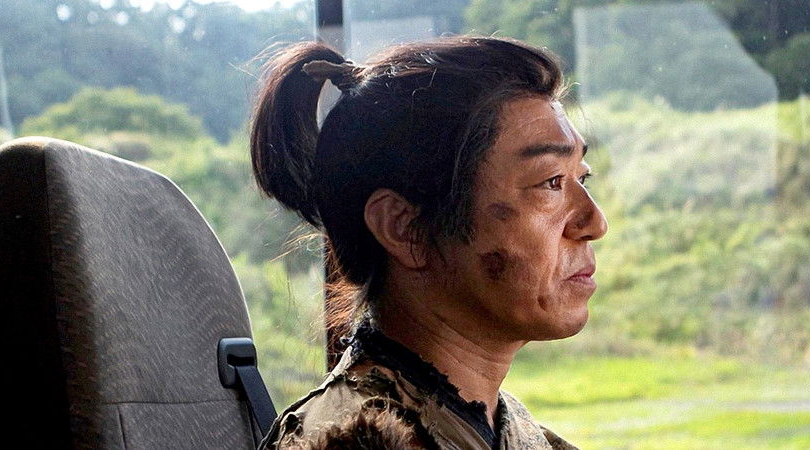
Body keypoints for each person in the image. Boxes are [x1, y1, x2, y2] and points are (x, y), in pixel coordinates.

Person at [250, 35, 607, 450]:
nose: (595, 222)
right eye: (551, 182)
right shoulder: (347, 441)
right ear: (405, 228)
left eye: (582, 178)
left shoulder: (517, 433)